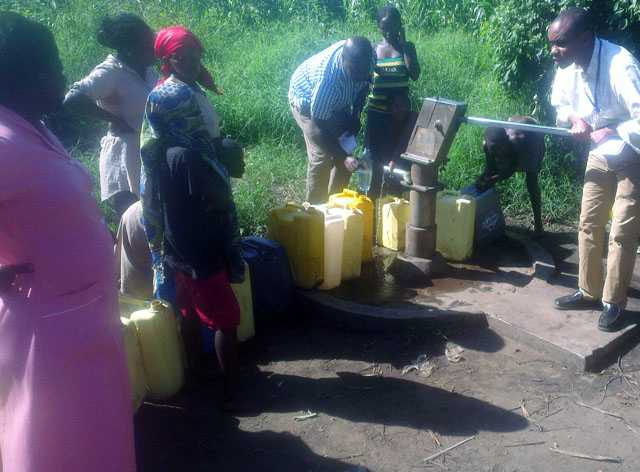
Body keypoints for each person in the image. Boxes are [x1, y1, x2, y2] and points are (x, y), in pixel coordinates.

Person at [0, 12, 135, 472]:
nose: (62, 74)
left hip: (82, 320)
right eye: (54, 65)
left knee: (95, 440)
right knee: (52, 446)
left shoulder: (31, 126)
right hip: (46, 336)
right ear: (22, 74)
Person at [140, 26, 242, 408]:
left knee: (188, 311)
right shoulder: (191, 159)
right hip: (203, 246)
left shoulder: (163, 153)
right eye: (184, 57)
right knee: (225, 318)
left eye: (196, 55)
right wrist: (227, 162)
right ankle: (233, 388)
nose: (194, 62)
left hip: (176, 243)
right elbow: (214, 203)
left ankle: (195, 374)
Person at [549, 8, 640, 331]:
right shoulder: (568, 65)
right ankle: (588, 290)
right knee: (589, 221)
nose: (553, 51)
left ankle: (613, 302)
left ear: (585, 39)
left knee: (622, 231)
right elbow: (559, 104)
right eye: (552, 43)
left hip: (632, 152)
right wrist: (574, 119)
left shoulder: (621, 65)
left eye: (560, 43)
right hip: (600, 152)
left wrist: (615, 132)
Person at [64, 14, 156, 221]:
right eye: (149, 45)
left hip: (148, 154)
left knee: (155, 223)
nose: (155, 49)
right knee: (132, 222)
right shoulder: (110, 72)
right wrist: (115, 120)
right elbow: (72, 98)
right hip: (124, 158)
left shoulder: (148, 69)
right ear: (131, 48)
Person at [289, 37, 373, 204]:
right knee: (322, 156)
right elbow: (318, 128)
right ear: (343, 61)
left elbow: (364, 86)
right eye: (356, 72)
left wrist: (355, 115)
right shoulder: (327, 82)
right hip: (307, 103)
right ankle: (315, 211)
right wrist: (342, 156)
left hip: (337, 103)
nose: (361, 76)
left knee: (346, 151)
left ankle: (335, 205)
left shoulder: (368, 58)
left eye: (364, 71)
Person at [366, 5, 421, 199]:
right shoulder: (373, 50)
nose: (389, 31)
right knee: (375, 168)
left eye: (393, 26)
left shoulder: (408, 48)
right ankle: (371, 210)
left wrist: (404, 46)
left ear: (400, 25)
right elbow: (365, 81)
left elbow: (414, 74)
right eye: (385, 27)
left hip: (400, 120)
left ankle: (394, 211)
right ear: (378, 27)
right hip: (377, 117)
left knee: (398, 168)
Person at [476, 116, 545, 235]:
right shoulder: (488, 146)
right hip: (514, 128)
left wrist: (494, 179)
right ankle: (489, 219)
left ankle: (539, 226)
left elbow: (512, 169)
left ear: (505, 141)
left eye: (499, 148)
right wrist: (483, 179)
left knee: (531, 181)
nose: (497, 152)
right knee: (486, 182)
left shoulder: (519, 141)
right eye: (494, 150)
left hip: (533, 136)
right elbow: (490, 169)